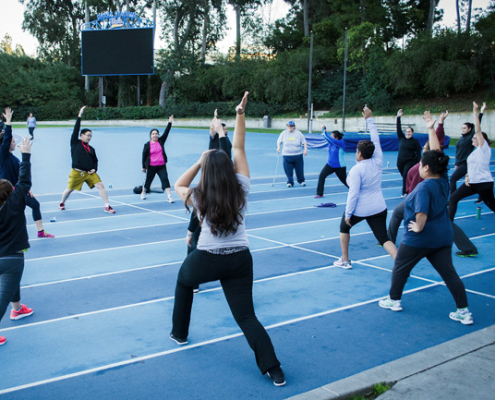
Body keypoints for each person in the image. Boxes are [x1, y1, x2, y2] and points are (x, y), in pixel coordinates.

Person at [171, 92, 285, 387]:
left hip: (206, 259)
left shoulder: (198, 196)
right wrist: (240, 114)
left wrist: (199, 161)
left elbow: (179, 184)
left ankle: (179, 334)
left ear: (208, 171)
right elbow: (238, 146)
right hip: (239, 259)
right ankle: (274, 369)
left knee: (184, 281)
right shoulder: (242, 187)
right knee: (247, 317)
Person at [379, 131, 473, 325]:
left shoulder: (423, 187)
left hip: (420, 238)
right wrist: (432, 128)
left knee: (400, 267)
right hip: (443, 237)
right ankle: (463, 311)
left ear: (427, 167)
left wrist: (418, 226)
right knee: (449, 274)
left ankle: (394, 300)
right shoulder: (443, 180)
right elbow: (438, 153)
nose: (419, 167)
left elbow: (421, 213)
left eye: (421, 165)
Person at [386, 111, 478, 258]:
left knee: (405, 215)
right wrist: (430, 128)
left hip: (424, 201)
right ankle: (468, 248)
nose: (424, 151)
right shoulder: (440, 175)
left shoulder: (431, 177)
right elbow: (436, 150)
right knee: (442, 222)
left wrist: (433, 129)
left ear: (428, 165)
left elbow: (435, 150)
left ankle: (391, 241)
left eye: (425, 151)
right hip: (428, 201)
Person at [333, 106, 397, 269]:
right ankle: (401, 265)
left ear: (360, 154)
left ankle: (345, 260)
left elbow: (353, 194)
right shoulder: (378, 160)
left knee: (343, 227)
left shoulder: (357, 170)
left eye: (356, 151)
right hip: (379, 207)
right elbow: (376, 140)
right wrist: (369, 119)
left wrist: (348, 214)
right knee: (384, 239)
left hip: (361, 208)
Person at [186, 110, 233, 293]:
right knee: (195, 239)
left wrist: (220, 126)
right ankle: (194, 280)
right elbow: (213, 132)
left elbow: (223, 143)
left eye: (221, 128)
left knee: (216, 239)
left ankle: (223, 273)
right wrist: (214, 120)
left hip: (217, 197)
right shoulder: (212, 143)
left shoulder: (225, 145)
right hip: (211, 195)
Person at [0, 135, 34, 346]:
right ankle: (14, 309)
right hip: (12, 259)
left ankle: (18, 308)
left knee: (10, 289)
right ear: (12, 193)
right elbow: (25, 180)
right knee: (2, 298)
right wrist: (26, 154)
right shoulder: (16, 203)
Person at [0, 108, 54, 239]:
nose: (14, 143)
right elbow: (6, 138)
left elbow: (21, 174)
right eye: (13, 141)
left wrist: (26, 189)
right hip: (7, 190)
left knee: (34, 205)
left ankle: (40, 231)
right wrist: (8, 122)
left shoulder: (13, 157)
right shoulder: (3, 156)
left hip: (17, 189)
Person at [59, 106, 115, 213]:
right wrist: (79, 116)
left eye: (91, 136)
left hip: (89, 173)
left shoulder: (91, 149)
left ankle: (107, 205)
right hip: (77, 172)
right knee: (69, 189)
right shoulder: (75, 143)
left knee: (101, 185)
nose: (89, 137)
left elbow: (95, 160)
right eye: (87, 135)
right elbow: (76, 129)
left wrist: (94, 169)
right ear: (81, 135)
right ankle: (62, 202)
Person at [449, 102, 495, 221]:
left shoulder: (484, 149)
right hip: (471, 183)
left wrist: (476, 112)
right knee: (453, 198)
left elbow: (478, 131)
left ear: (481, 140)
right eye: (473, 137)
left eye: (475, 138)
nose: (473, 139)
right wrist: (467, 176)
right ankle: (449, 223)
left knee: (493, 206)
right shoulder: (474, 152)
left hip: (483, 184)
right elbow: (471, 166)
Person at [449, 103, 485, 195]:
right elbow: (458, 152)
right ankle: (482, 194)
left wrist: (480, 112)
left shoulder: (470, 137)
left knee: (453, 179)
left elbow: (478, 125)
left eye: (465, 128)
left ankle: (452, 197)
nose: (463, 129)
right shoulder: (461, 138)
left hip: (466, 163)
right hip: (460, 163)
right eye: (462, 128)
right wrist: (456, 163)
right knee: (472, 181)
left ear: (469, 129)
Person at [141, 116, 174, 203]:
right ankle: (143, 192)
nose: (155, 135)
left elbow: (167, 132)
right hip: (151, 166)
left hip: (161, 166)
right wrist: (143, 167)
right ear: (150, 136)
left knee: (165, 179)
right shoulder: (147, 145)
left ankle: (169, 196)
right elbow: (143, 156)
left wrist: (170, 122)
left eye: (156, 133)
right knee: (148, 181)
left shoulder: (161, 141)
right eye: (153, 134)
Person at [314, 126, 348, 198]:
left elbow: (330, 139)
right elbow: (327, 138)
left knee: (346, 181)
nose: (330, 137)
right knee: (322, 176)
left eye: (332, 136)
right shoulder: (331, 143)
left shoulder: (340, 143)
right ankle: (319, 193)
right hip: (330, 165)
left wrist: (325, 132)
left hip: (339, 167)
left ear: (336, 138)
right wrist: (324, 129)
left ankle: (357, 191)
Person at [396, 109, 422, 196]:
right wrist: (398, 117)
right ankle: (412, 185)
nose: (407, 133)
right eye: (406, 132)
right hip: (400, 161)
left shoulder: (415, 142)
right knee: (405, 176)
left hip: (410, 161)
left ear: (412, 133)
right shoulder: (401, 138)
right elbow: (398, 128)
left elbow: (419, 152)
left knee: (405, 175)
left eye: (409, 132)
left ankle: (404, 192)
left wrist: (419, 162)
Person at [276, 121, 307, 187]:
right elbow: (279, 141)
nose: (289, 127)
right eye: (288, 126)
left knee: (299, 169)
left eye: (291, 126)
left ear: (294, 127)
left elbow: (304, 142)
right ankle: (290, 181)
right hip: (287, 155)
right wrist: (278, 147)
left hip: (298, 154)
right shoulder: (284, 133)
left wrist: (305, 150)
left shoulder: (298, 133)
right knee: (288, 169)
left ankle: (301, 180)